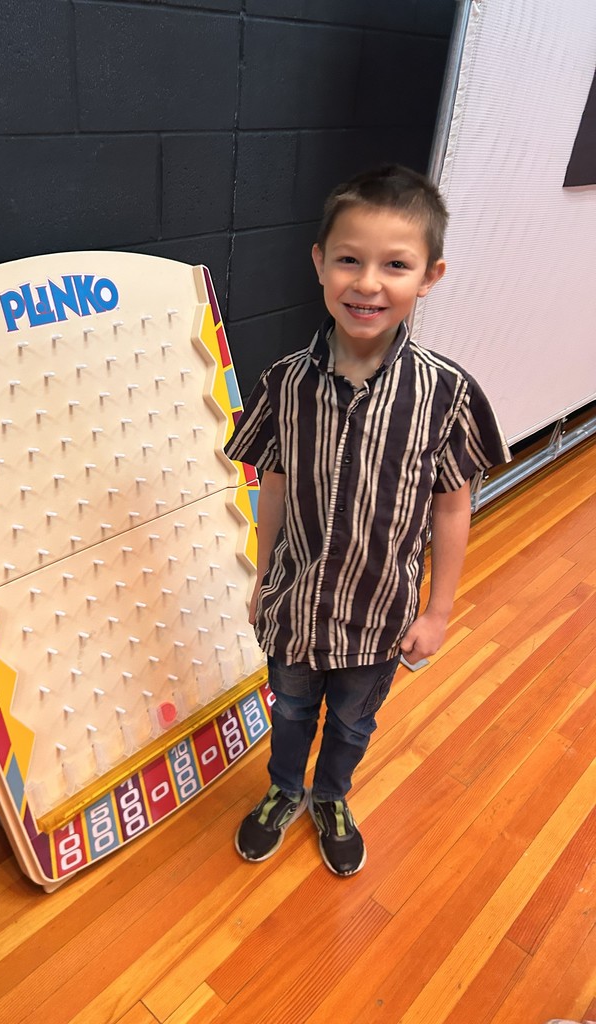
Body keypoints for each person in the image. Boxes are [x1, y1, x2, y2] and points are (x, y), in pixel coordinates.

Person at [224, 165, 511, 876]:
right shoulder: (284, 383)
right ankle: (284, 790)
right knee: (289, 712)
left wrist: (439, 611)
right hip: (295, 606)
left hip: (380, 614)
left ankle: (331, 796)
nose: (368, 283)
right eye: (349, 259)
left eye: (396, 265)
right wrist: (262, 575)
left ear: (429, 275)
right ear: (319, 261)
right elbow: (274, 482)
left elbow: (451, 504)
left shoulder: (446, 394)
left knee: (352, 721)